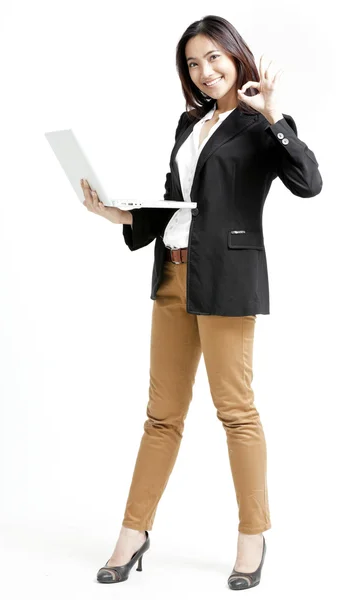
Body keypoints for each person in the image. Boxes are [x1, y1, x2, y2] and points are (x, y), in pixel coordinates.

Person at [81, 15, 322, 590]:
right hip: (172, 276)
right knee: (161, 416)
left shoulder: (260, 124)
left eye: (214, 57)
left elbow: (309, 182)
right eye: (193, 63)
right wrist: (120, 215)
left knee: (236, 413)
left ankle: (251, 537)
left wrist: (271, 114)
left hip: (227, 281)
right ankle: (133, 534)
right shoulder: (188, 124)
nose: (205, 71)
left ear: (237, 57)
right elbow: (178, 203)